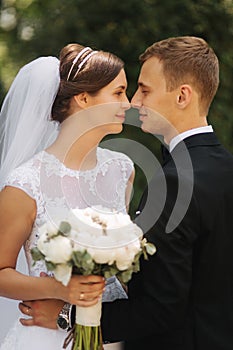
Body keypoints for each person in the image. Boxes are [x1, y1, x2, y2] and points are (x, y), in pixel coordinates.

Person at [22, 36, 233, 350]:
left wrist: (67, 313)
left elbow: (161, 308)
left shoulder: (173, 183)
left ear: (182, 96)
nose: (135, 102)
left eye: (145, 90)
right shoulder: (225, 167)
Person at [0, 43, 134, 349]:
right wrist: (61, 289)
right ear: (84, 98)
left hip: (109, 337)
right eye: (118, 92)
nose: (127, 103)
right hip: (46, 339)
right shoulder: (25, 183)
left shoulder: (122, 170)